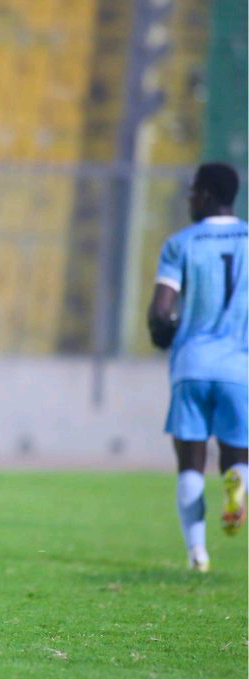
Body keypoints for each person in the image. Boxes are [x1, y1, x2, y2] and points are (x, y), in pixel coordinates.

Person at [147, 162, 248, 573]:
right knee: (237, 454)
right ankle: (238, 482)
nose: (189, 199)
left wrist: (162, 334)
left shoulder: (180, 244)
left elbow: (160, 311)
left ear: (206, 194)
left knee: (190, 461)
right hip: (239, 367)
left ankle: (197, 554)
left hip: (192, 364)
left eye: (192, 192)